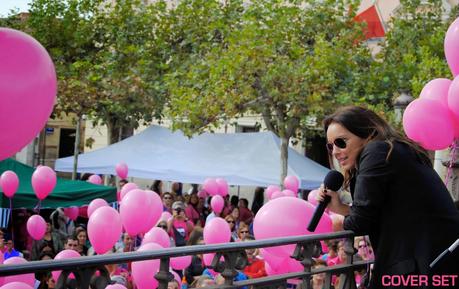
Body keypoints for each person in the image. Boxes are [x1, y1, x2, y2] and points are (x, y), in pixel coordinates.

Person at [318, 106, 459, 288]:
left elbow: (360, 221)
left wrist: (340, 220)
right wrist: (341, 208)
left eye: (341, 142)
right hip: (431, 263)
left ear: (367, 134)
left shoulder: (376, 152)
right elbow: (379, 213)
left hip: (422, 267)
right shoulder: (394, 150)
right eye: (330, 146)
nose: (335, 151)